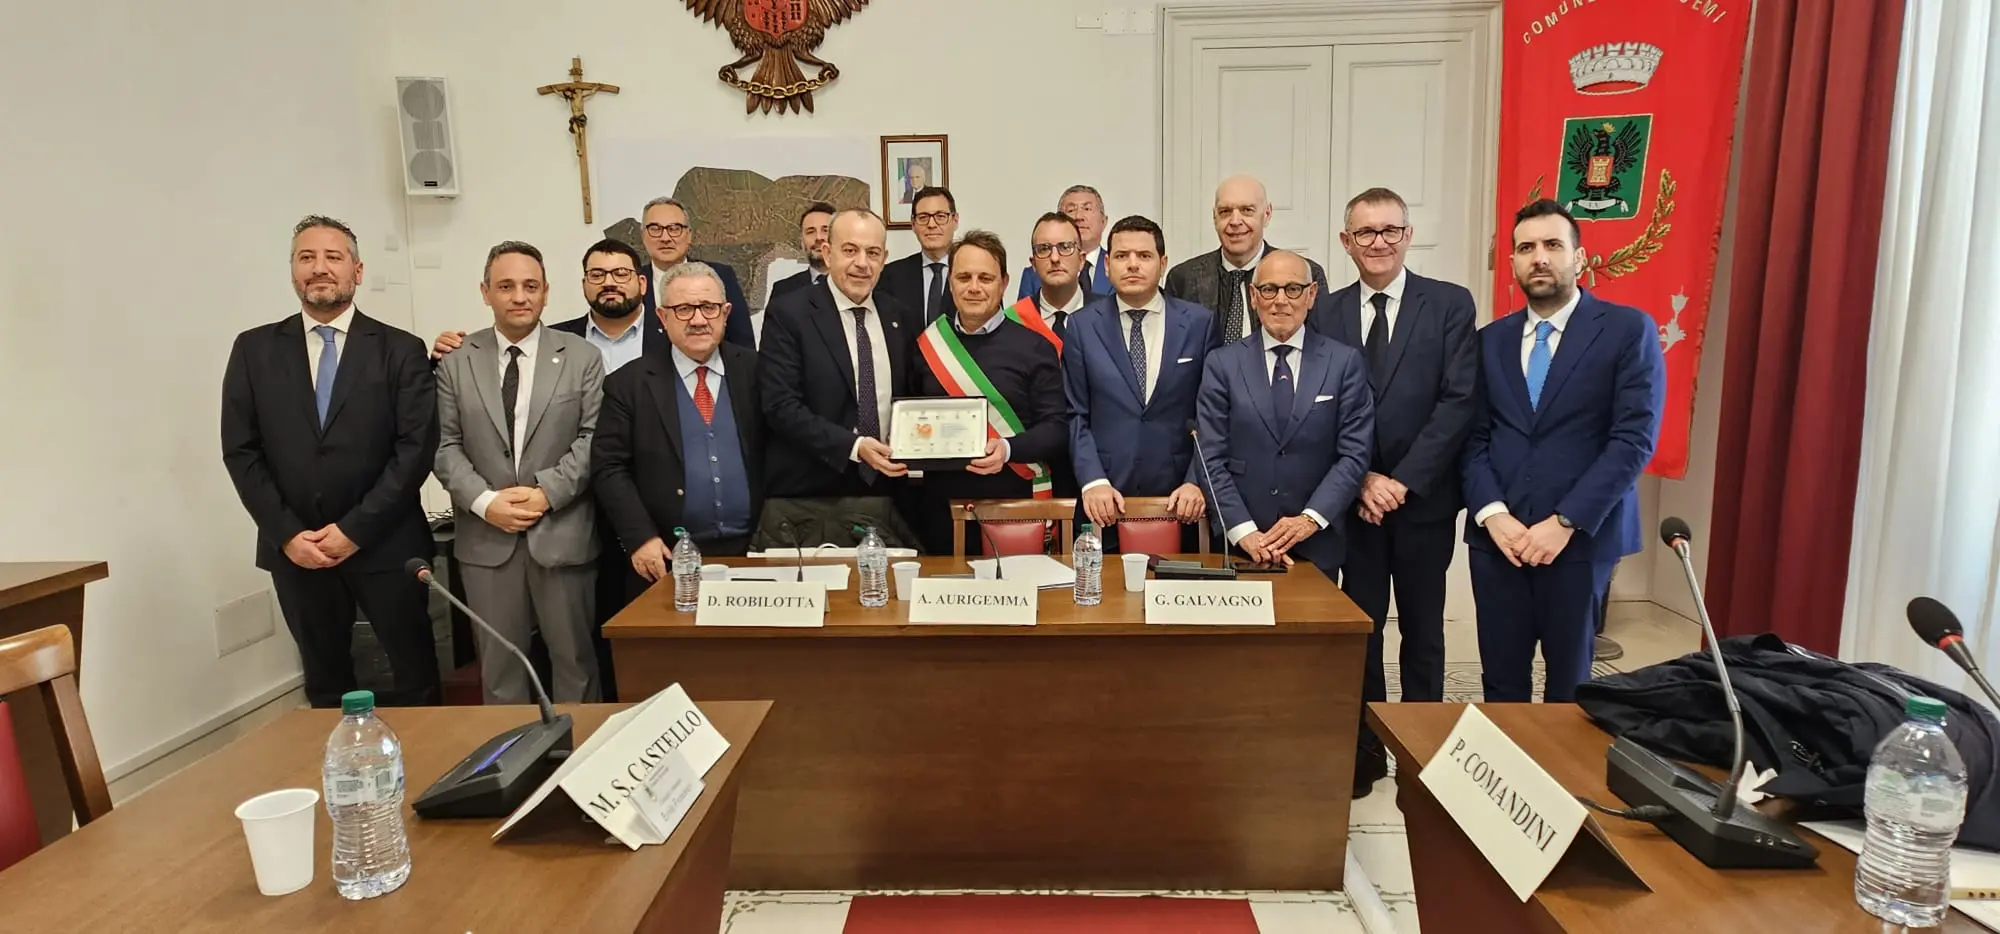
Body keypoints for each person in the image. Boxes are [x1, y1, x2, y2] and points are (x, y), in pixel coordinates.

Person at [221, 215, 441, 708]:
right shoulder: (254, 349)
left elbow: (414, 451)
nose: (319, 268)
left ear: (357, 271)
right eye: (307, 257)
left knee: (416, 680)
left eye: (333, 257)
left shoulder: (400, 349)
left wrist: (353, 530)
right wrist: (288, 535)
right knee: (325, 687)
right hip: (298, 553)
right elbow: (241, 450)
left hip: (386, 546)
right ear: (292, 271)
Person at [1309, 187, 1481, 797]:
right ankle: (1367, 750)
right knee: (1363, 630)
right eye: (1365, 232)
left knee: (1423, 631)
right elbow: (1316, 411)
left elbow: (1458, 402)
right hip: (1353, 504)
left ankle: (1421, 753)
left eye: (1389, 230)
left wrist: (1401, 481)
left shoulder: (1449, 304)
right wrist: (1360, 479)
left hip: (1422, 502)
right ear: (1345, 242)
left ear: (1408, 236)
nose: (1378, 242)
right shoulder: (1325, 311)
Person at [1463, 199, 1665, 703]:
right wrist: (1493, 515)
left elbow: (1633, 439)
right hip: (1500, 543)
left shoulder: (1627, 330)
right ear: (1512, 262)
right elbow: (1472, 437)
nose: (1539, 257)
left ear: (1579, 257)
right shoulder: (1489, 341)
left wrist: (1565, 522)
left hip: (1579, 543)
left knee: (1570, 691)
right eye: (1526, 248)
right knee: (1501, 685)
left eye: (1553, 245)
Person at [432, 241, 605, 704]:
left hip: (561, 534)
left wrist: (546, 492)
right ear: (485, 292)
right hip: (486, 541)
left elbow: (594, 438)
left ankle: (579, 750)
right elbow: (444, 446)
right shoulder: (456, 360)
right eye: (506, 286)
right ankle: (513, 753)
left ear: (546, 292)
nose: (520, 296)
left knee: (576, 666)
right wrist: (486, 503)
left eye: (531, 286)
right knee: (500, 674)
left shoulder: (582, 356)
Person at [593, 263, 765, 600]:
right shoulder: (628, 384)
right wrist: (640, 537)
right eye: (684, 309)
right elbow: (608, 467)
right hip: (666, 557)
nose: (698, 320)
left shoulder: (758, 370)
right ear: (662, 316)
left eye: (709, 307)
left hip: (755, 551)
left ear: (726, 313)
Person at [1194, 250, 1373, 571]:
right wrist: (1244, 532)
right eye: (1269, 289)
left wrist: (1310, 520)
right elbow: (1210, 458)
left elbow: (1354, 454)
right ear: (1253, 296)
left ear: (1311, 295)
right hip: (1242, 546)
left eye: (1293, 289)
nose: (1280, 301)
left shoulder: (1344, 363)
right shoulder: (1222, 364)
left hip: (1317, 543)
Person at [1063, 215, 1217, 550]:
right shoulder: (1081, 326)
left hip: (1180, 501)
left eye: (1144, 255)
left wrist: (1196, 480)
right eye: (1122, 256)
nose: (1132, 264)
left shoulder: (1200, 324)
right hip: (1105, 499)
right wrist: (1093, 480)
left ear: (1163, 263)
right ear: (1107, 265)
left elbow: (1212, 416)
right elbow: (1075, 414)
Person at [910, 230, 1069, 553]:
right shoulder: (927, 346)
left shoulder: (1035, 347)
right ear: (950, 283)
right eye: (964, 277)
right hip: (941, 512)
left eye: (985, 278)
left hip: (1014, 508)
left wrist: (1008, 449)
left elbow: (1056, 429)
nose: (974, 287)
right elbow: (909, 420)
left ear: (1004, 283)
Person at [759, 208, 923, 500]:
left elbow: (912, 394)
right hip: (815, 493)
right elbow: (780, 405)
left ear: (884, 259)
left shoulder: (899, 315)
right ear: (827, 253)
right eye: (850, 250)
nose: (862, 263)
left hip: (891, 489)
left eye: (873, 253)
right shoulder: (789, 313)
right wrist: (854, 446)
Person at [1164, 175, 1329, 345]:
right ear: (1215, 217)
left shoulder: (1305, 274)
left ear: (1267, 214)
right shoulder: (1183, 279)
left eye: (1247, 210)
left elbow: (1321, 346)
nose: (1235, 221)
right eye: (1225, 212)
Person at [638, 197, 756, 350]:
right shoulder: (632, 282)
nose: (665, 238)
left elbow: (742, 344)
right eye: (655, 229)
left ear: (689, 235)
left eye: (674, 228)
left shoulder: (719, 275)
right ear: (643, 236)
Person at [880, 186, 960, 324]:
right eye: (923, 217)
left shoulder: (974, 274)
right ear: (913, 224)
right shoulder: (890, 275)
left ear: (955, 220)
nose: (931, 224)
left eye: (940, 216)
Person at [1018, 185, 1112, 298]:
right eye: (1071, 210)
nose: (1078, 217)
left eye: (1087, 209)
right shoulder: (1033, 274)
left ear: (1103, 221)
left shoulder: (1117, 268)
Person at [769, 201, 836, 307]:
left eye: (825, 230)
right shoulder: (783, 291)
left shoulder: (856, 285)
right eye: (810, 232)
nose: (818, 237)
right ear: (802, 242)